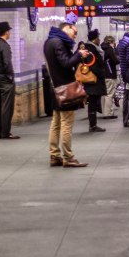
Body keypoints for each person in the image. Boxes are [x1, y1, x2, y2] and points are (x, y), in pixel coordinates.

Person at [43, 22, 90, 168]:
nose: (75, 36)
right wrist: (79, 55)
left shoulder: (49, 42)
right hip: (65, 89)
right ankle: (68, 157)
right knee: (66, 124)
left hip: (55, 88)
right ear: (66, 28)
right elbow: (66, 63)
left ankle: (54, 155)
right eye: (74, 32)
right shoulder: (59, 43)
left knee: (56, 124)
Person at [0, 21, 19, 140]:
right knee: (7, 107)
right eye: (9, 31)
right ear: (6, 32)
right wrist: (10, 77)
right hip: (5, 81)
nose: (10, 33)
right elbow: (7, 63)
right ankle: (5, 133)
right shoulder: (4, 46)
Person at [79, 30, 108, 133]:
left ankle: (93, 125)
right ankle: (93, 125)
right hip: (93, 81)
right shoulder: (91, 50)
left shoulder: (91, 49)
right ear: (95, 39)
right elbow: (93, 66)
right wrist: (101, 73)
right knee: (92, 102)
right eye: (98, 38)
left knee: (93, 102)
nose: (99, 40)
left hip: (93, 81)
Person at [100, 35, 120, 119]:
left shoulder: (101, 49)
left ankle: (105, 112)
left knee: (104, 94)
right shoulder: (109, 49)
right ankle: (108, 113)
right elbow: (115, 60)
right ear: (111, 42)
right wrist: (118, 58)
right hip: (110, 74)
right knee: (110, 94)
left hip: (103, 74)